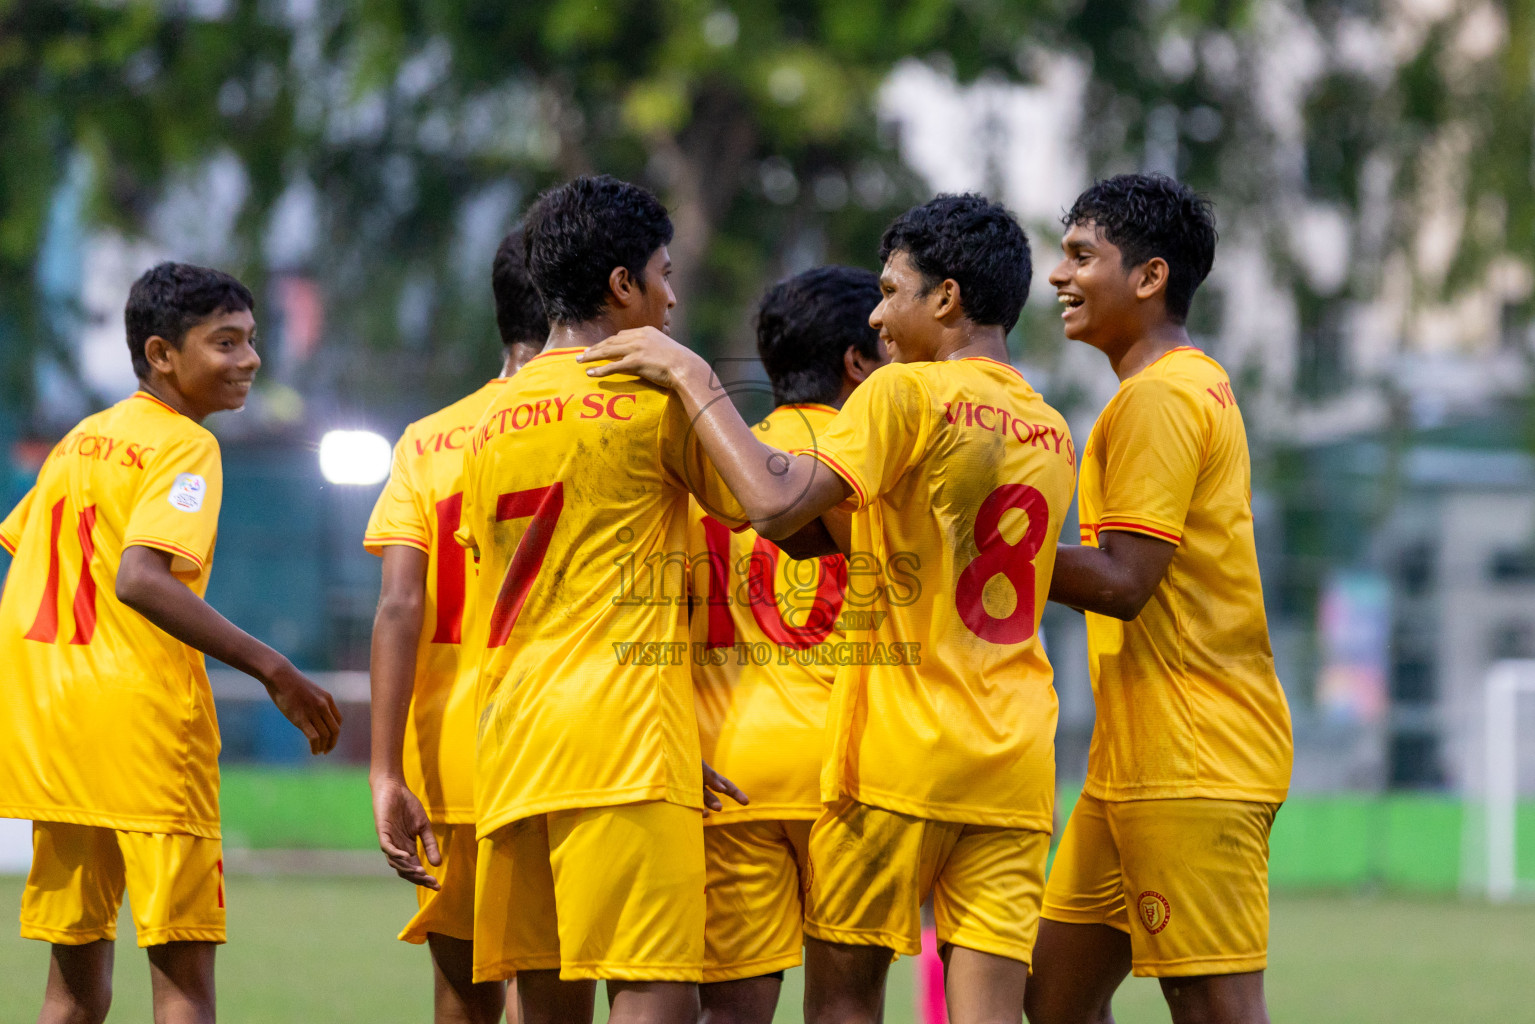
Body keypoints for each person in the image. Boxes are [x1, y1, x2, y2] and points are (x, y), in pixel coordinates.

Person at [581, 192, 1078, 1024]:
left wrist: (692, 374)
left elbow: (776, 507)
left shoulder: (902, 395)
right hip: (1014, 756)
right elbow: (846, 540)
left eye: (892, 291)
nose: (880, 318)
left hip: (894, 755)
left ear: (945, 299)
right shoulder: (1048, 426)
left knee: (843, 1004)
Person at [0, 262, 341, 1024]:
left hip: (57, 737)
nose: (250, 360)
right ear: (162, 354)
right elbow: (141, 578)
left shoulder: (81, 440)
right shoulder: (185, 446)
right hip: (146, 734)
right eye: (225, 343)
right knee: (183, 981)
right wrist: (273, 667)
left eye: (252, 340)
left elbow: (26, 554)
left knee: (71, 990)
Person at [457, 174, 748, 1024]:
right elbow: (764, 503)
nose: (671, 297)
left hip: (515, 746)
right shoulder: (649, 397)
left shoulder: (485, 420)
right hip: (621, 743)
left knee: (544, 1007)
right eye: (662, 273)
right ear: (621, 284)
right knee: (654, 995)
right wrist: (695, 378)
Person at [1026, 174, 1293, 1024]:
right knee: (1055, 1000)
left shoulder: (1160, 397)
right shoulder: (1171, 386)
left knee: (1214, 1007)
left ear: (1148, 277)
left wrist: (977, 546)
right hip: (1130, 764)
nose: (1059, 276)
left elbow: (1124, 582)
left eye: (1080, 257)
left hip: (1194, 755)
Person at [689, 266, 887, 1024]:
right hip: (850, 769)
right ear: (855, 361)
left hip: (729, 769)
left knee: (730, 1013)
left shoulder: (717, 461)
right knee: (845, 1008)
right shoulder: (868, 453)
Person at [364, 227, 547, 1024]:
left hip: (446, 754)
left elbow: (399, 606)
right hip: (554, 746)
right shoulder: (596, 420)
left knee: (463, 1001)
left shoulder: (425, 440)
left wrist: (382, 771)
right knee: (556, 991)